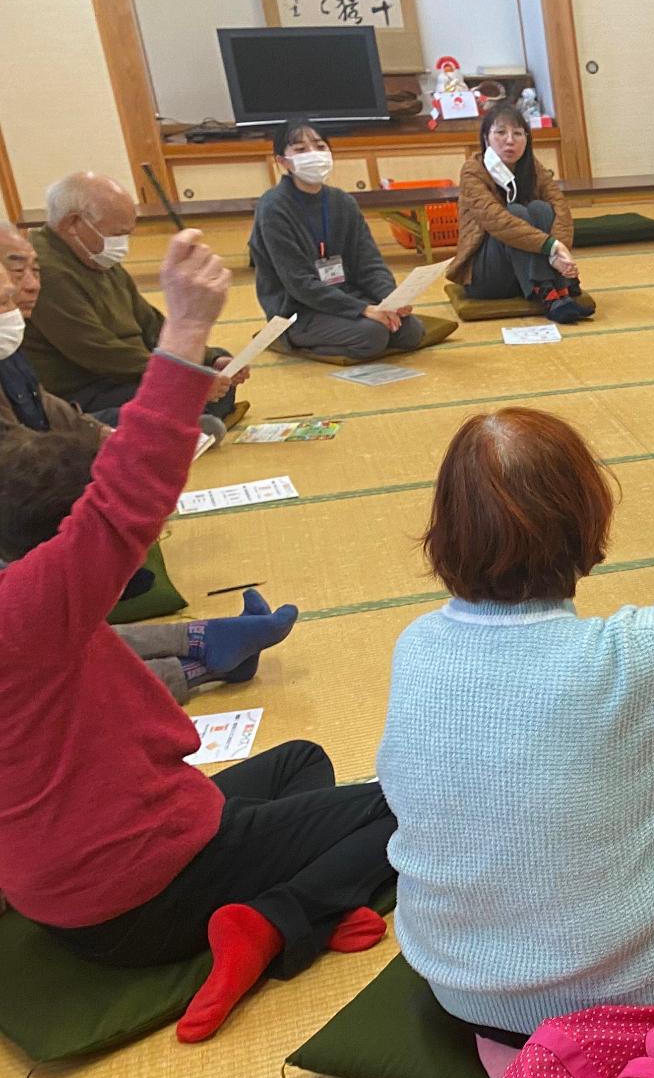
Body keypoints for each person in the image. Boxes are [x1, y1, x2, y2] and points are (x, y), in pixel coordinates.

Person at [378, 341, 654, 1075]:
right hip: (635, 1002)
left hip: (462, 990)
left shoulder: (416, 648)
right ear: (587, 521)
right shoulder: (633, 660)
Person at [0, 230, 395, 1042]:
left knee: (301, 764)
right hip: (141, 890)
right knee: (422, 807)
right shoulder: (26, 610)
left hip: (62, 886)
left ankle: (290, 892)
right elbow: (125, 495)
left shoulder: (33, 613)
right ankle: (276, 923)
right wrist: (184, 334)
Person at [0, 221, 297, 703]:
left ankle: (202, 637)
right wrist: (186, 338)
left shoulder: (11, 346)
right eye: (7, 292)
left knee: (51, 624)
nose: (25, 289)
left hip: (37, 486)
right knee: (51, 659)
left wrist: (107, 439)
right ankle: (200, 661)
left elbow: (45, 405)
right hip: (20, 512)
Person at [24, 173, 246, 423]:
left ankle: (191, 417)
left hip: (128, 370)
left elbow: (150, 323)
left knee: (216, 369)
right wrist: (183, 376)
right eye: (117, 234)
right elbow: (99, 353)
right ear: (73, 223)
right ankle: (186, 419)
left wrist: (209, 358)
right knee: (181, 393)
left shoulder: (94, 256)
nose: (123, 243)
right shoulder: (45, 270)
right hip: (88, 385)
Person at [249, 120, 456, 361]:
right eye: (300, 150)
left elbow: (370, 264)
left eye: (319, 146)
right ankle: (293, 342)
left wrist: (390, 300)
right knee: (372, 335)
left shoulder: (342, 202)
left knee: (410, 331)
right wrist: (364, 310)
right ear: (282, 162)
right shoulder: (273, 208)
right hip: (297, 309)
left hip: (345, 295)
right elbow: (299, 284)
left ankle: (359, 323)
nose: (313, 155)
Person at [447, 102, 593, 324]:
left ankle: (560, 290)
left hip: (525, 271)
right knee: (515, 212)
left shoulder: (532, 167)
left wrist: (559, 254)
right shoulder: (473, 171)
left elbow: (560, 207)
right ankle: (548, 294)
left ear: (527, 139)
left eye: (517, 133)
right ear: (486, 138)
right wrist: (551, 247)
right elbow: (499, 222)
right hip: (488, 277)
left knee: (541, 208)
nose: (510, 140)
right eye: (500, 132)